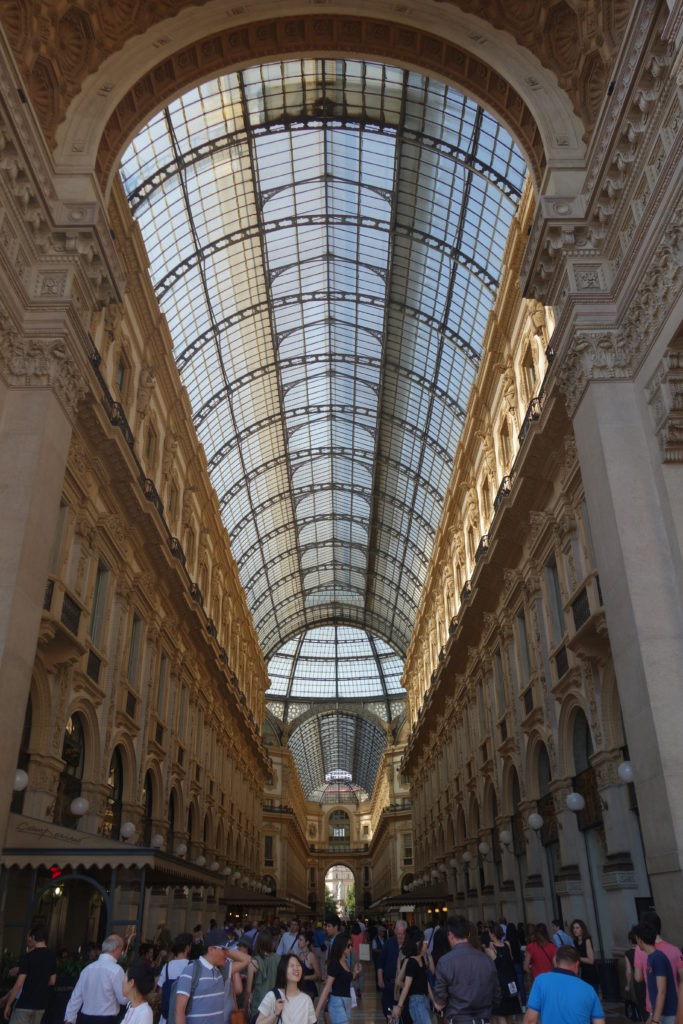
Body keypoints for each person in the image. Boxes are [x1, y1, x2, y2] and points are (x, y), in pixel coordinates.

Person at [174, 927, 251, 1024]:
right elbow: (179, 1011)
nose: (226, 954)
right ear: (211, 950)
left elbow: (247, 960)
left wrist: (226, 951)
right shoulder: (190, 971)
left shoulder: (223, 970)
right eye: (224, 949)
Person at [432, 915, 500, 1024]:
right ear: (468, 935)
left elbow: (440, 1001)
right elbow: (497, 996)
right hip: (483, 1018)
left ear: (450, 935)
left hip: (458, 1019)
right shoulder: (487, 960)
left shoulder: (445, 962)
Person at [524, 945, 604, 1024]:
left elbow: (530, 1020)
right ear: (577, 965)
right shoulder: (589, 990)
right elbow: (599, 1022)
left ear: (556, 962)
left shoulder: (541, 981)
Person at [64, 934, 127, 1024]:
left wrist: (69, 1019)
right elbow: (123, 999)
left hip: (85, 1019)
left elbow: (76, 997)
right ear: (116, 949)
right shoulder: (116, 970)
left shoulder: (87, 969)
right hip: (106, 1020)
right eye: (121, 949)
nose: (121, 953)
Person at [633, 911, 683, 1019]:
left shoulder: (641, 950)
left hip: (654, 1004)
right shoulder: (675, 950)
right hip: (676, 1004)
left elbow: (638, 977)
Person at [3, 926, 56, 1024]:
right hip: (40, 1006)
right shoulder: (52, 957)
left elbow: (19, 984)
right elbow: (52, 981)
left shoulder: (28, 957)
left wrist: (8, 1004)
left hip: (24, 1005)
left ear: (33, 937)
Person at [314, 933, 361, 1024]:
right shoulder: (335, 964)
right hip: (337, 1003)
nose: (350, 948)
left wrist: (355, 972)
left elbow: (348, 979)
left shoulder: (345, 962)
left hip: (347, 1001)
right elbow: (327, 987)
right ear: (341, 946)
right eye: (348, 945)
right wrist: (318, 1010)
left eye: (351, 945)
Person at [255, 954, 315, 1024]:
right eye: (292, 965)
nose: (296, 968)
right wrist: (275, 1014)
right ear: (283, 970)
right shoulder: (273, 996)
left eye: (298, 965)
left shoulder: (306, 999)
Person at [391, 929, 432, 1024]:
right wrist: (411, 987)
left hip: (423, 999)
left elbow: (426, 982)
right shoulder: (410, 961)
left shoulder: (422, 958)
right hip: (415, 1000)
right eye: (425, 942)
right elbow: (400, 982)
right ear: (418, 943)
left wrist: (433, 1000)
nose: (427, 944)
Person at [485, 924, 521, 1024]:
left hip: (499, 983)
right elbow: (511, 959)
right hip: (510, 981)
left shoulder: (489, 950)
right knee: (509, 1013)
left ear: (492, 934)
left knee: (500, 1014)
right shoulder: (507, 944)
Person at [246, 930, 280, 1024]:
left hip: (258, 1003)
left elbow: (248, 990)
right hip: (274, 1001)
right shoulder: (278, 958)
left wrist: (245, 1007)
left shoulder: (254, 962)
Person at [158, 934, 192, 1024]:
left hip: (167, 1017)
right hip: (185, 1018)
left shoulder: (167, 966)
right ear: (187, 948)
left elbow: (160, 990)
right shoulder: (192, 966)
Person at [377, 920, 407, 1017]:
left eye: (402, 933)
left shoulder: (409, 945)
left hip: (403, 986)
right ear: (395, 932)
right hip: (389, 984)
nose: (400, 936)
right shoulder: (389, 943)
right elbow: (380, 962)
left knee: (402, 1014)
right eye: (398, 933)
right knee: (389, 1013)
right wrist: (380, 978)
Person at [570, 920, 600, 993]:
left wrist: (577, 957)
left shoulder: (587, 940)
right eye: (574, 928)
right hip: (582, 973)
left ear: (582, 929)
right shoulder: (575, 941)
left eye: (577, 928)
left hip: (591, 974)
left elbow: (591, 960)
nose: (575, 930)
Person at [624, 929, 647, 1022]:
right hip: (648, 979)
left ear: (630, 940)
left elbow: (629, 972)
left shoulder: (628, 953)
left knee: (642, 1005)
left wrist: (628, 985)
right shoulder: (645, 949)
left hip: (638, 982)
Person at [296, 932, 321, 1001]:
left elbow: (318, 975)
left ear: (307, 942)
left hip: (309, 990)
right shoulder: (299, 955)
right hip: (299, 989)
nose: (298, 941)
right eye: (298, 939)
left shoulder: (311, 956)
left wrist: (305, 977)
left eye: (301, 940)